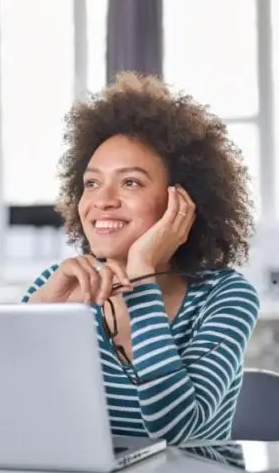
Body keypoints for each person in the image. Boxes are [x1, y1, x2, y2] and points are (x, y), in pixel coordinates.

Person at [23, 71, 259, 446]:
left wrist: (141, 276)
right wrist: (38, 315)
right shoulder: (60, 285)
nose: (103, 200)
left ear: (182, 200)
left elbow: (175, 431)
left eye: (130, 182)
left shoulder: (225, 297)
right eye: (92, 183)